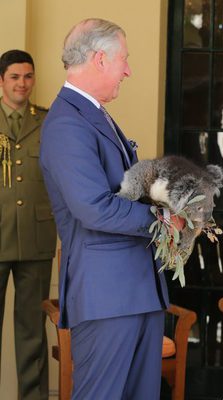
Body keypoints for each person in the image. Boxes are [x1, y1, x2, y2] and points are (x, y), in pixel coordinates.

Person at [39, 19, 170, 399]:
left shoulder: (93, 114)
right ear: (100, 59)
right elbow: (93, 207)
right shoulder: (67, 123)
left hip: (134, 291)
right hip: (106, 296)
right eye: (124, 60)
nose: (128, 70)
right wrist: (162, 221)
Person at [0, 49, 56, 400]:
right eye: (15, 77)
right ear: (2, 81)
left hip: (35, 239)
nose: (23, 83)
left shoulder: (49, 122)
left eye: (28, 76)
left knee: (32, 332)